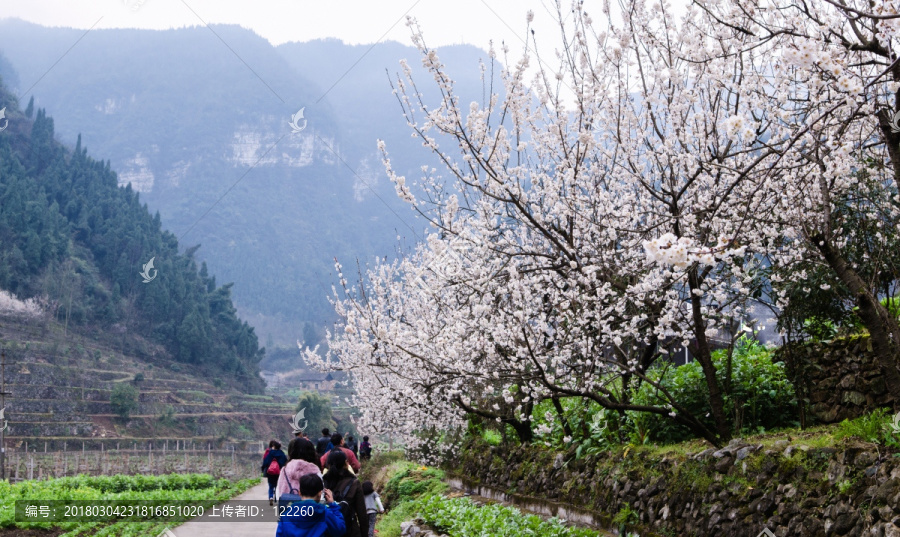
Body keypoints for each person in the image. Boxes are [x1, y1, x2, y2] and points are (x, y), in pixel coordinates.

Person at [275, 473, 346, 537]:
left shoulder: (286, 515)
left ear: (299, 492)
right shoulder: (324, 513)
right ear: (319, 494)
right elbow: (340, 529)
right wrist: (333, 505)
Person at [323, 449, 368, 537]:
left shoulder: (323, 482)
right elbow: (362, 513)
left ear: (328, 464)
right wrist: (364, 534)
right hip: (350, 530)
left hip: (329, 530)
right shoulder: (354, 483)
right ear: (346, 463)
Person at [277, 437, 323, 503]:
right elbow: (321, 496)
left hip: (288, 509)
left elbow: (279, 493)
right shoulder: (314, 471)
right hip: (311, 511)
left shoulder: (285, 470)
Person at [261, 440, 288, 506]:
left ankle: (270, 497)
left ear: (274, 446)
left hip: (270, 472)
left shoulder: (270, 453)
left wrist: (263, 468)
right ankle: (276, 498)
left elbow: (266, 462)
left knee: (271, 485)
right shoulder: (282, 453)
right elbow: (285, 462)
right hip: (279, 472)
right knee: (277, 486)